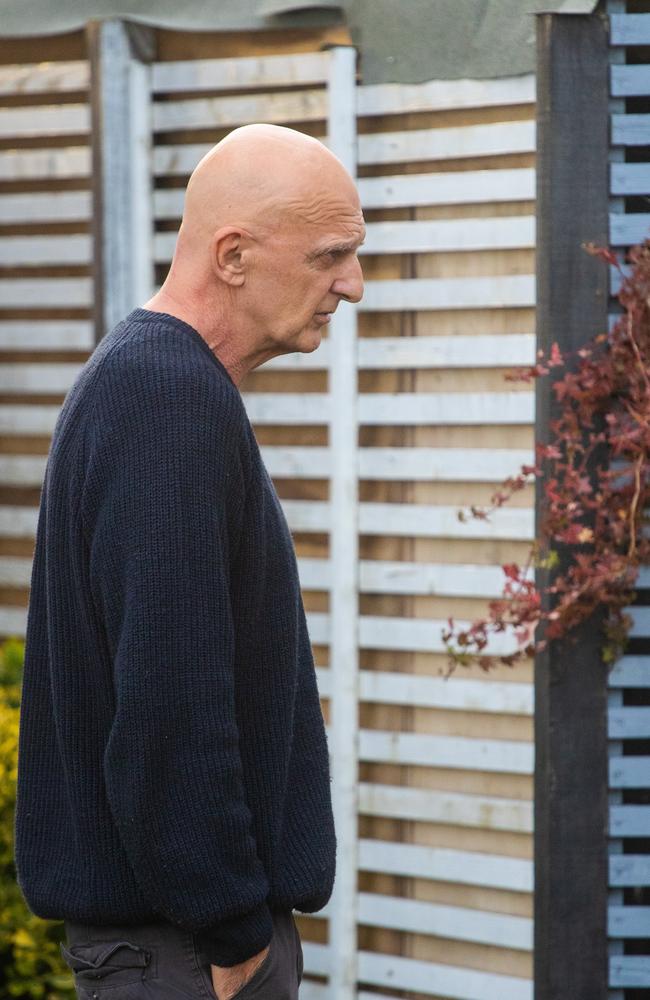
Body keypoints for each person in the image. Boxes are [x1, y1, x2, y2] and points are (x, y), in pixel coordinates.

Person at [14, 123, 365, 1000]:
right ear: (234, 255)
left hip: (177, 944)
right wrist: (234, 934)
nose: (352, 286)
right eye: (330, 256)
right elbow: (170, 697)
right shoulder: (165, 396)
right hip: (186, 953)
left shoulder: (154, 381)